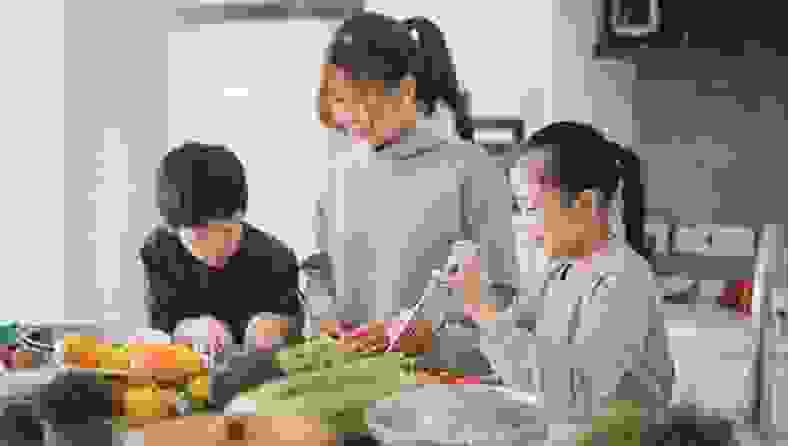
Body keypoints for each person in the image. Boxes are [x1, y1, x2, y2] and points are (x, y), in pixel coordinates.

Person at [312, 12, 517, 361]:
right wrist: (321, 307)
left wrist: (427, 334)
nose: (358, 116)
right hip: (350, 382)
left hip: (440, 392)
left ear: (407, 89)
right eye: (344, 101)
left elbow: (502, 302)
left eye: (369, 100)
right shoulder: (337, 176)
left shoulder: (469, 169)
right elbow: (324, 276)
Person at [476, 121, 673, 424]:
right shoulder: (558, 270)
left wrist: (486, 315)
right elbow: (517, 337)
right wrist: (472, 307)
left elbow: (579, 394)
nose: (526, 228)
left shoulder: (623, 280)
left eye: (530, 208)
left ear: (586, 204)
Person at [140, 142, 303, 347]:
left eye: (227, 232)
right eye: (199, 238)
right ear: (174, 229)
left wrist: (279, 327)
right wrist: (187, 330)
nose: (215, 248)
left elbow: (294, 325)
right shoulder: (159, 252)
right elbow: (160, 329)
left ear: (241, 215)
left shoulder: (275, 258)